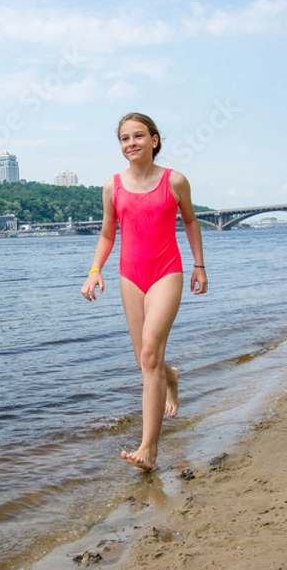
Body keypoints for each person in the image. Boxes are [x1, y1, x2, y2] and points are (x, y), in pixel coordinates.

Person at [81, 112, 208, 472]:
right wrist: (94, 271)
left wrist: (199, 265)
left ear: (154, 140)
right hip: (130, 276)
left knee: (150, 353)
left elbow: (191, 221)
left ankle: (148, 449)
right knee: (145, 361)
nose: (131, 143)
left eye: (139, 136)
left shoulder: (175, 181)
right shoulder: (112, 187)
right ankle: (171, 376)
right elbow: (108, 234)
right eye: (124, 138)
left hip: (167, 272)